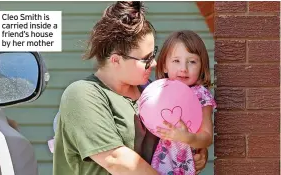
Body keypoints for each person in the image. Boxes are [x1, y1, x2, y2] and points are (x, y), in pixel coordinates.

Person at [53, 2, 208, 175]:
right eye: (146, 59)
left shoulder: (152, 91)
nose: (154, 63)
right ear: (116, 60)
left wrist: (196, 151)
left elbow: (183, 134)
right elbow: (117, 161)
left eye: (154, 54)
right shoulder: (82, 94)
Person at [149, 30, 217, 175]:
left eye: (192, 62)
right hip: (154, 165)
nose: (183, 69)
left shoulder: (201, 95)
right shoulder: (156, 92)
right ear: (165, 66)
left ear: (201, 67)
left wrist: (186, 137)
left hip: (181, 167)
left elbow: (207, 137)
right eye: (176, 61)